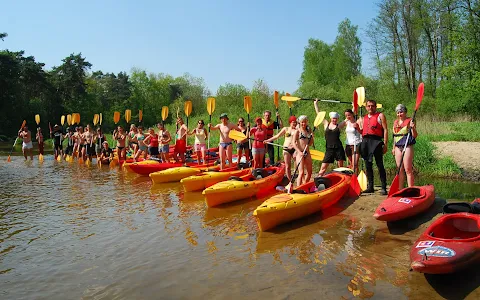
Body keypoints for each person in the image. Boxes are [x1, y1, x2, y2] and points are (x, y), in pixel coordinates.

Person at [359, 99, 389, 195]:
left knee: (380, 164)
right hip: (365, 141)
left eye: (372, 106)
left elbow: (385, 130)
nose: (370, 107)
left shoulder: (380, 116)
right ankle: (370, 186)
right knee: (368, 165)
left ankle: (383, 187)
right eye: (368, 106)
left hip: (376, 141)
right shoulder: (363, 118)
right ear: (366, 107)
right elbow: (362, 131)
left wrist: (385, 143)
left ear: (375, 107)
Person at [314, 101, 347, 176]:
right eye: (333, 118)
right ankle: (318, 178)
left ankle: (340, 180)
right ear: (330, 118)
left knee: (340, 167)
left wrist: (353, 106)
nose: (334, 120)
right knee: (323, 167)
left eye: (336, 119)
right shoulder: (326, 124)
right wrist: (315, 104)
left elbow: (348, 118)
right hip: (329, 148)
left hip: (338, 148)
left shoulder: (339, 126)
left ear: (337, 119)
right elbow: (318, 114)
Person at [264, 115, 298, 181]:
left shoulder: (297, 130)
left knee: (296, 161)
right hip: (286, 149)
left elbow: (299, 140)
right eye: (293, 122)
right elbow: (277, 136)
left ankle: (294, 172)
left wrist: (294, 146)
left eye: (295, 122)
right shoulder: (286, 129)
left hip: (294, 149)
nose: (294, 124)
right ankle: (289, 179)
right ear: (290, 122)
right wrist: (267, 140)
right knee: (288, 166)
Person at [392, 104, 417, 188]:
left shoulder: (410, 120)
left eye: (401, 112)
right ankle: (400, 189)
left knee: (408, 169)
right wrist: (393, 148)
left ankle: (411, 189)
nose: (399, 114)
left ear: (405, 112)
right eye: (398, 113)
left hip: (407, 145)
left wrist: (413, 128)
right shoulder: (395, 122)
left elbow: (414, 135)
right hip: (397, 146)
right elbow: (394, 136)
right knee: (400, 169)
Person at [292, 115, 313, 187]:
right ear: (299, 122)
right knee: (301, 172)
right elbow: (293, 143)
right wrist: (299, 152)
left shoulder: (308, 131)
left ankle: (304, 185)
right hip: (299, 153)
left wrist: (312, 137)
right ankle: (298, 188)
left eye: (305, 122)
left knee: (310, 172)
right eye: (302, 122)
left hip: (307, 152)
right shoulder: (297, 131)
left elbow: (310, 144)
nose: (303, 124)